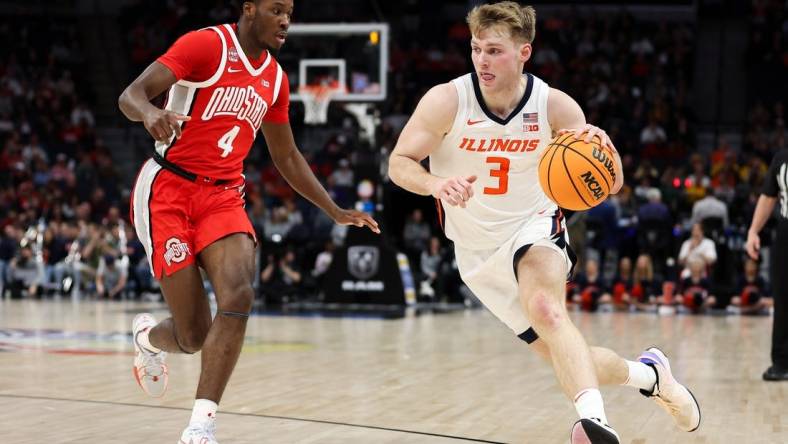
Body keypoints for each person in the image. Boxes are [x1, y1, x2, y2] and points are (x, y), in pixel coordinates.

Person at [387, 3, 699, 442]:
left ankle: (593, 423)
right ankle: (650, 377)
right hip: (475, 253)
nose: (481, 60)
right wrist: (435, 184)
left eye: (494, 50)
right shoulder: (446, 100)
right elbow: (399, 163)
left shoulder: (553, 105)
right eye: (476, 48)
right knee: (566, 356)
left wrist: (606, 150)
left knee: (547, 309)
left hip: (534, 226)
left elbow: (611, 184)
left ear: (524, 53)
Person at [118, 1, 380, 442]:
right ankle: (147, 338)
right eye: (277, 10)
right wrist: (150, 114)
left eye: (291, 12)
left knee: (239, 292)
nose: (285, 21)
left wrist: (332, 209)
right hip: (168, 190)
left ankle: (200, 427)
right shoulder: (205, 45)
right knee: (193, 335)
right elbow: (129, 96)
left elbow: (287, 156)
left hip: (223, 194)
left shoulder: (275, 78)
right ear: (250, 9)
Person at [746, 147, 788, 381]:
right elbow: (768, 196)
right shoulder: (781, 156)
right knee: (783, 297)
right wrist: (753, 231)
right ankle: (781, 363)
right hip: (785, 232)